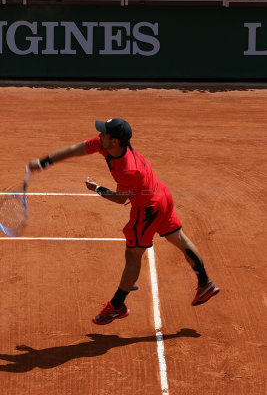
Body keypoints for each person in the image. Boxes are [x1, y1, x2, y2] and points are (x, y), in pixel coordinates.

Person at [29, 118, 220, 325]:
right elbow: (77, 149)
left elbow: (121, 198)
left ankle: (117, 306)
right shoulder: (108, 145)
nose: (99, 135)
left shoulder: (128, 170)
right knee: (179, 238)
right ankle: (205, 283)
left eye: (104, 134)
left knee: (133, 254)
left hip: (148, 209)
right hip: (162, 194)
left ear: (115, 141)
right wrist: (45, 161)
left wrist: (97, 189)